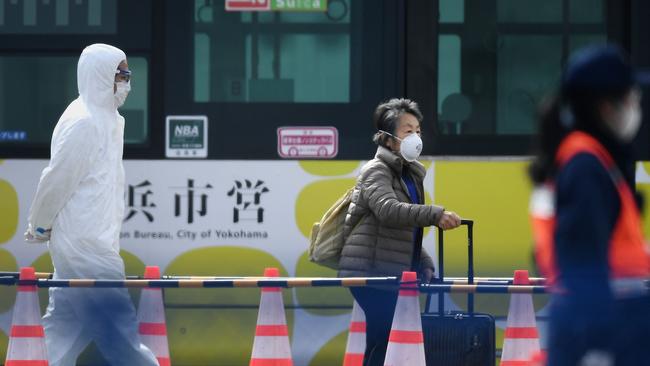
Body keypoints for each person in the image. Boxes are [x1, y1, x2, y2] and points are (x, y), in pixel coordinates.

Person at [24, 44, 159, 366]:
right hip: (86, 246)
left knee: (62, 333)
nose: (126, 82)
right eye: (121, 74)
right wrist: (40, 224)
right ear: (101, 75)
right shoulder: (84, 121)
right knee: (122, 339)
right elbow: (57, 179)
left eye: (128, 74)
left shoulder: (106, 118)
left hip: (92, 241)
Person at [530, 45, 650, 365]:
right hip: (602, 336)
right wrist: (596, 349)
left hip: (608, 329)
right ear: (606, 107)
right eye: (631, 97)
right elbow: (581, 262)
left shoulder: (588, 159)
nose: (636, 106)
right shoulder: (586, 167)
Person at [338, 98, 462, 365]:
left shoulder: (410, 173)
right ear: (387, 138)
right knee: (383, 339)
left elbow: (407, 228)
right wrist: (435, 214)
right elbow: (388, 210)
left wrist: (423, 262)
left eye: (418, 130)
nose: (416, 137)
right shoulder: (376, 170)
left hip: (389, 268)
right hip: (370, 269)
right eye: (408, 131)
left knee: (382, 339)